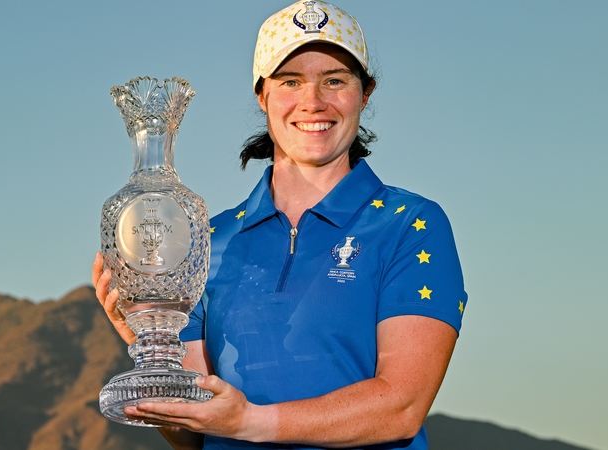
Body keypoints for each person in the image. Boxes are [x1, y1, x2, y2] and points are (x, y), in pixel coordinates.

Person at [92, 1, 467, 449]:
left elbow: (401, 407)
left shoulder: (409, 224)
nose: (313, 101)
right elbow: (197, 431)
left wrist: (249, 422)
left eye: (335, 80)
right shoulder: (205, 239)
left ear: (364, 93)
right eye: (291, 81)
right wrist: (145, 338)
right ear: (262, 94)